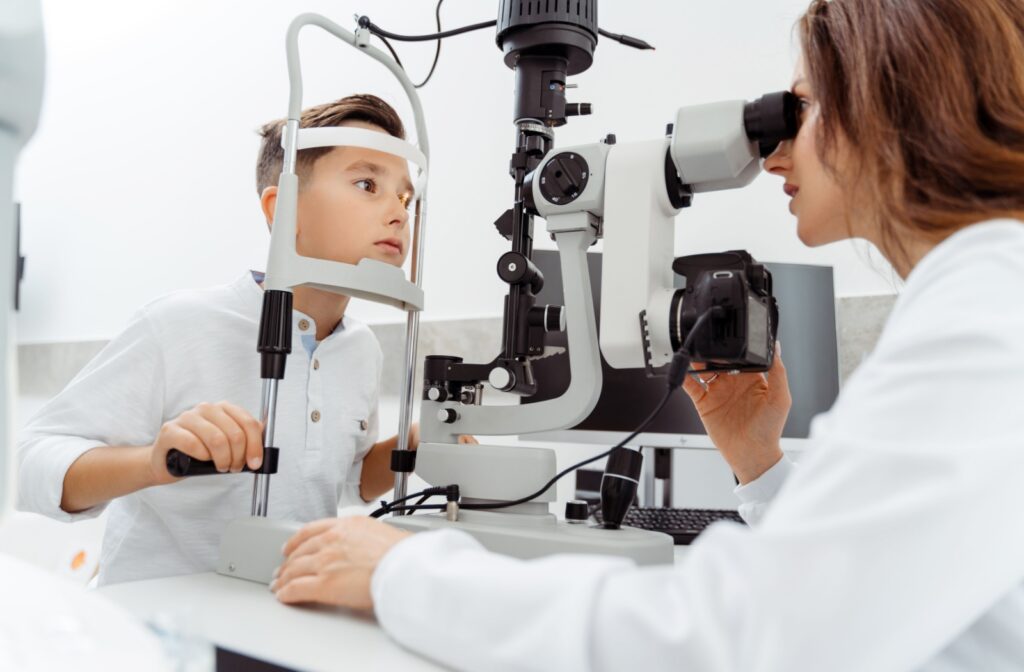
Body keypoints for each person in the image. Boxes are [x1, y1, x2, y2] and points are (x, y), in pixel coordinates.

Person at [269, 1, 1024, 670]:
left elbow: (741, 638)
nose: (776, 153)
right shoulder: (985, 300)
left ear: (893, 99)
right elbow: (863, 589)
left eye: (803, 108)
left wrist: (403, 573)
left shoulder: (988, 317)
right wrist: (760, 466)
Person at [18, 94, 434, 586]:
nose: (398, 213)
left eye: (406, 198)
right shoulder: (179, 324)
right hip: (161, 629)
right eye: (368, 184)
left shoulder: (361, 348)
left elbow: (344, 481)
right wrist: (153, 463)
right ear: (284, 211)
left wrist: (415, 445)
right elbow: (28, 463)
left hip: (278, 616)